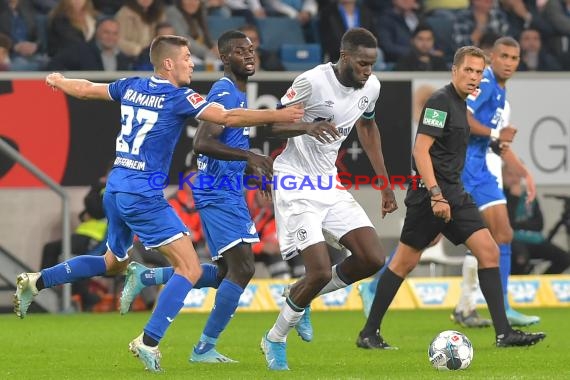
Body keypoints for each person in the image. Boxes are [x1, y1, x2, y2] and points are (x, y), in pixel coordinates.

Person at [14, 34, 303, 373]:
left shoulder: (131, 86)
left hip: (116, 189)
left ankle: (37, 281)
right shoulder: (180, 97)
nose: (192, 63)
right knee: (190, 268)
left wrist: (60, 80)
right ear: (169, 64)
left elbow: (87, 89)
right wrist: (276, 115)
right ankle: (148, 340)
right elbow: (227, 119)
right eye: (186, 58)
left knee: (112, 263)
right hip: (143, 195)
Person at [118, 30, 337, 363]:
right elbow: (202, 142)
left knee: (225, 272)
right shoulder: (224, 91)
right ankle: (204, 347)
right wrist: (250, 158)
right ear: (224, 58)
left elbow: (226, 144)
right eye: (239, 51)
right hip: (217, 193)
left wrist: (250, 168)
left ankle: (147, 275)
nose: (249, 55)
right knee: (244, 269)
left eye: (251, 50)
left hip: (226, 189)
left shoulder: (236, 92)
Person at [356, 45, 545, 351]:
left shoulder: (460, 104)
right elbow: (420, 150)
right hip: (431, 196)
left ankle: (504, 333)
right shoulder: (440, 101)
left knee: (489, 251)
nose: (473, 77)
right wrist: (435, 194)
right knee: (404, 263)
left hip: (455, 194)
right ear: (454, 71)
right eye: (468, 70)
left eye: (478, 72)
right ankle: (369, 332)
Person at [260, 27, 398, 371]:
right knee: (319, 271)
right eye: (363, 64)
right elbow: (271, 125)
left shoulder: (372, 87)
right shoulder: (311, 81)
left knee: (372, 257)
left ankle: (299, 296)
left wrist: (384, 183)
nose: (368, 71)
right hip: (294, 182)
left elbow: (367, 127)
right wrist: (306, 126)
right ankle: (274, 338)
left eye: (372, 64)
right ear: (345, 57)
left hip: (328, 183)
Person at [451, 36, 540, 328]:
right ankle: (377, 288)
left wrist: (523, 172)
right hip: (463, 169)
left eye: (515, 58)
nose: (510, 63)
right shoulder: (486, 82)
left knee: (502, 234)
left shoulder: (501, 91)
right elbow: (463, 115)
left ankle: (500, 305)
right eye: (504, 56)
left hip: (481, 171)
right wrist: (492, 134)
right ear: (492, 57)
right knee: (427, 237)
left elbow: (496, 143)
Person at [504, 164, 570, 274]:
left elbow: (539, 224)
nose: (515, 179)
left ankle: (540, 285)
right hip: (513, 241)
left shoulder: (529, 195)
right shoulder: (499, 196)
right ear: (502, 175)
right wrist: (514, 198)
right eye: (510, 175)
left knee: (565, 259)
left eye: (518, 175)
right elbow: (507, 223)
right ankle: (519, 288)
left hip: (534, 239)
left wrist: (520, 224)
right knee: (520, 259)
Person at [47, 17, 134, 71]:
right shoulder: (80, 52)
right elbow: (53, 66)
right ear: (97, 32)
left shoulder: (123, 58)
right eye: (106, 32)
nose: (110, 37)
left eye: (115, 33)